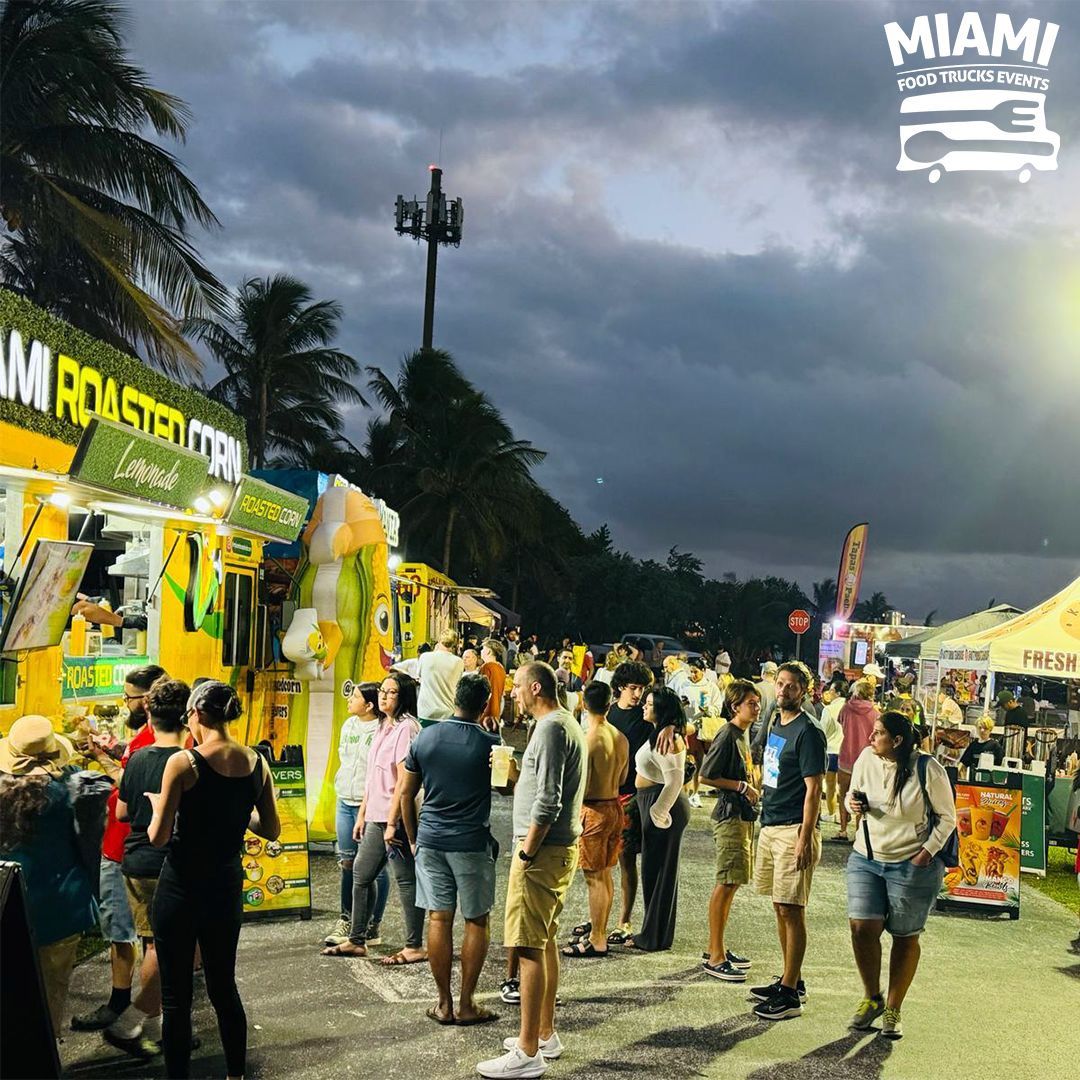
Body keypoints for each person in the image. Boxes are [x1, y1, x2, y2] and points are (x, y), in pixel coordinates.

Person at [147, 681, 280, 1079]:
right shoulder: (257, 762)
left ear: (199, 714)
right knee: (224, 987)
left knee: (176, 998)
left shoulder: (183, 763)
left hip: (181, 887)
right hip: (225, 888)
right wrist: (239, 814)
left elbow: (158, 836)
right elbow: (269, 828)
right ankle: (235, 1074)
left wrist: (158, 806)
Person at [476, 662, 586, 1079]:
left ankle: (526, 1052)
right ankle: (543, 1034)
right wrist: (515, 773)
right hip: (554, 849)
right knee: (543, 941)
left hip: (542, 851)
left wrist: (527, 851)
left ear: (535, 687)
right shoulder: (562, 725)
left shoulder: (552, 729)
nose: (513, 694)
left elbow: (550, 800)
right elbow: (542, 785)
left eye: (518, 686)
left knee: (525, 947)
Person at [398, 674, 502, 1026]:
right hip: (471, 842)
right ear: (484, 704)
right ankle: (467, 1003)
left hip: (430, 839)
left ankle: (443, 1004)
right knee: (476, 920)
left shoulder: (425, 737)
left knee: (438, 918)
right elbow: (504, 787)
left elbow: (405, 794)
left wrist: (413, 838)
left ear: (455, 698)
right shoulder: (489, 742)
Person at [846, 711, 956, 1040]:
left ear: (896, 741)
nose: (870, 738)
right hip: (866, 855)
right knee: (862, 927)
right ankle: (872, 997)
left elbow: (947, 817)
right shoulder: (867, 758)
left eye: (877, 733)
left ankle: (893, 1008)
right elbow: (855, 792)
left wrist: (925, 853)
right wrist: (855, 804)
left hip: (912, 863)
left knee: (905, 936)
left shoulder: (927, 768)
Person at [73, 663, 166, 1033]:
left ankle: (126, 1011)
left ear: (147, 700)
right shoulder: (161, 739)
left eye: (128, 698)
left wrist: (102, 760)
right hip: (146, 850)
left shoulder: (147, 745)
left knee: (125, 932)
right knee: (148, 936)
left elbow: (127, 793)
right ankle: (152, 1017)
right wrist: (112, 749)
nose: (124, 703)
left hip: (123, 847)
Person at [0, 715, 99, 1036]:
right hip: (60, 905)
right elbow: (90, 843)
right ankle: (42, 1059)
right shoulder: (74, 790)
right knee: (49, 996)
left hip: (6, 899)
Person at [109, 678, 191, 1058]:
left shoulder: (138, 757)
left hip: (134, 863)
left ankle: (157, 1031)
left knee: (153, 943)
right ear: (188, 717)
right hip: (168, 864)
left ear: (149, 713)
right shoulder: (189, 762)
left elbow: (123, 811)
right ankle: (131, 1022)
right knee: (172, 948)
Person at [322, 674, 425, 964]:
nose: (384, 696)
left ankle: (414, 945)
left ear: (403, 696)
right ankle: (357, 940)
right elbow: (373, 777)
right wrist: (363, 815)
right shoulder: (383, 725)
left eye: (391, 693)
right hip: (376, 816)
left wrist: (393, 823)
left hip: (397, 819)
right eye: (382, 691)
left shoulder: (407, 728)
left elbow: (404, 783)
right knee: (361, 874)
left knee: (405, 880)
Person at [750, 662, 826, 1021]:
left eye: (792, 686)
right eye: (780, 684)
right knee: (780, 906)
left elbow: (814, 791)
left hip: (794, 827)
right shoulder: (774, 722)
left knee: (792, 909)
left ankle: (790, 995)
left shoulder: (809, 732)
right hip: (771, 821)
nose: (783, 690)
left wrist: (805, 837)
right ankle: (789, 979)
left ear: (804, 691)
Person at [699, 680, 761, 981]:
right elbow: (706, 776)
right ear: (735, 706)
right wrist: (741, 786)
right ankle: (715, 955)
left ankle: (717, 946)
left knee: (732, 883)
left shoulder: (742, 734)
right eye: (752, 702)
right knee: (726, 882)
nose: (757, 707)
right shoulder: (727, 734)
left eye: (758, 702)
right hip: (729, 816)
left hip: (742, 815)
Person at [562, 681, 628, 959]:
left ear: (583, 704)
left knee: (594, 878)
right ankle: (600, 929)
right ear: (610, 703)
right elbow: (623, 778)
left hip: (595, 810)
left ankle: (597, 937)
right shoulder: (620, 737)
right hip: (615, 806)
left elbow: (582, 784)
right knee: (606, 872)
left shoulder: (588, 738)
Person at [324, 683, 390, 949]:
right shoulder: (349, 725)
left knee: (375, 868)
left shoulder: (382, 729)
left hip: (370, 805)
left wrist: (366, 804)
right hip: (344, 801)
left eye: (356, 697)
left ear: (370, 705)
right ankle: (347, 919)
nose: (350, 700)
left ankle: (373, 924)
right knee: (347, 862)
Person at [627, 686, 689, 953]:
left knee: (661, 872)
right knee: (653, 871)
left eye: (650, 703)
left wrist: (658, 812)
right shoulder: (664, 733)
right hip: (651, 802)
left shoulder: (669, 738)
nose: (644, 705)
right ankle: (653, 934)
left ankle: (653, 937)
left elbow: (675, 781)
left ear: (661, 709)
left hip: (661, 805)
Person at [604, 660, 655, 945]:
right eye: (634, 688)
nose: (638, 694)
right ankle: (602, 915)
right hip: (607, 794)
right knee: (601, 861)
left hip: (632, 795)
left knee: (626, 860)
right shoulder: (609, 713)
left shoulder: (645, 717)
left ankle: (624, 920)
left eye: (642, 688)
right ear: (621, 687)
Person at [834, 680, 880, 844]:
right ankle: (859, 830)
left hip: (846, 755)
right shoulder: (875, 713)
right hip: (866, 759)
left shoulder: (846, 708)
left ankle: (843, 829)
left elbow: (840, 722)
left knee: (843, 793)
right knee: (862, 796)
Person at [680, 658, 724, 809]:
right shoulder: (684, 685)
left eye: (696, 671)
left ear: (703, 671)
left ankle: (696, 792)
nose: (693, 675)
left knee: (699, 761)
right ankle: (685, 792)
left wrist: (707, 709)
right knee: (687, 761)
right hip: (687, 724)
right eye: (691, 671)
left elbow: (718, 707)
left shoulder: (711, 687)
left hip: (703, 726)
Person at [417, 629, 465, 726]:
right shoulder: (459, 662)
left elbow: (419, 675)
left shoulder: (425, 657)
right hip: (448, 712)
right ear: (454, 644)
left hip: (426, 711)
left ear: (439, 641)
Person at [819, 680, 847, 821]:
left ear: (837, 693)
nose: (829, 693)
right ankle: (844, 815)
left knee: (830, 786)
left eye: (831, 691)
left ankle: (831, 813)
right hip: (846, 752)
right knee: (845, 787)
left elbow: (822, 731)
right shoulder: (849, 708)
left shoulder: (829, 710)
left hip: (831, 751)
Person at [751, 662, 779, 761]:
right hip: (772, 732)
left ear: (763, 672)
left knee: (754, 764)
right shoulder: (778, 690)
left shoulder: (757, 688)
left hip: (756, 730)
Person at [480, 638, 508, 732]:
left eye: (483, 649)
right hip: (496, 708)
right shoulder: (500, 667)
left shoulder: (487, 667)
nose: (481, 651)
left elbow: (482, 691)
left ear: (488, 651)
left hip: (486, 709)